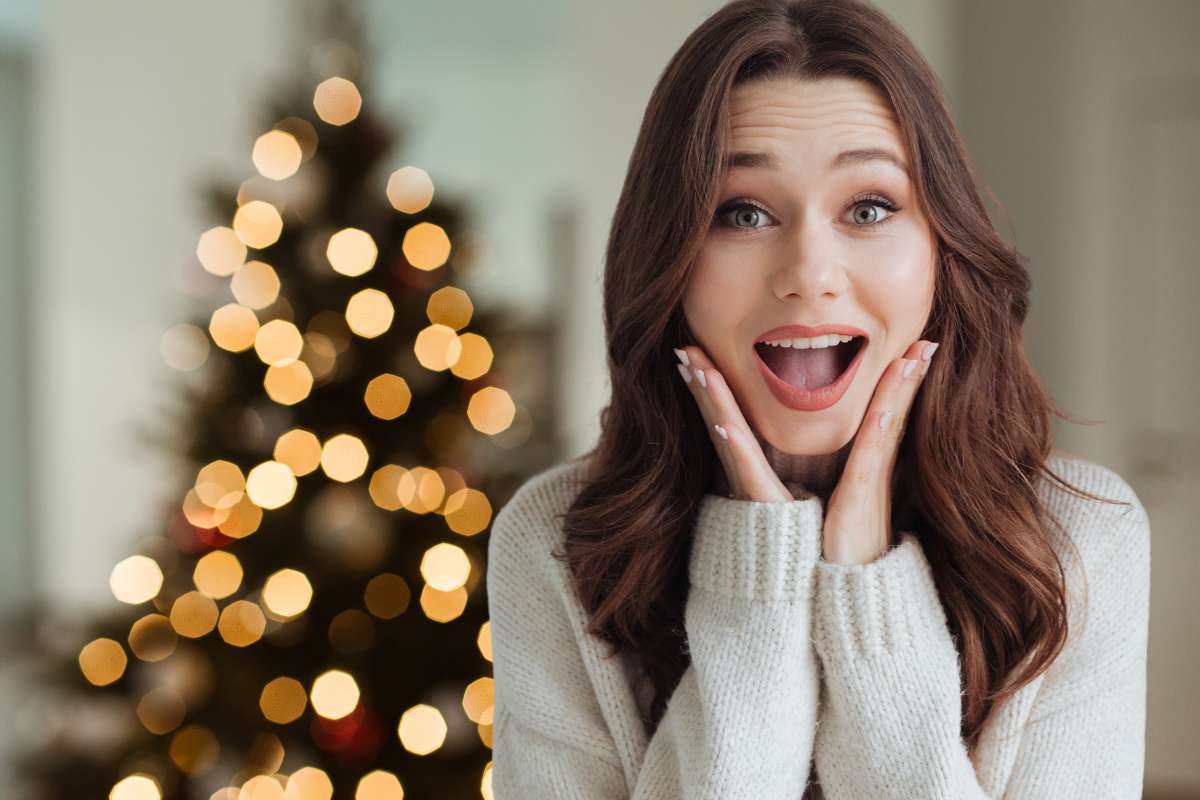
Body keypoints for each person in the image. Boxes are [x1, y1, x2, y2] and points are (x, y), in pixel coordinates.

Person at [486, 0, 1151, 797]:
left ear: (942, 247)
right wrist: (755, 588)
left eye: (868, 208)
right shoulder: (556, 544)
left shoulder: (1080, 542)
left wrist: (868, 587)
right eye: (742, 212)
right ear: (667, 254)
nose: (808, 270)